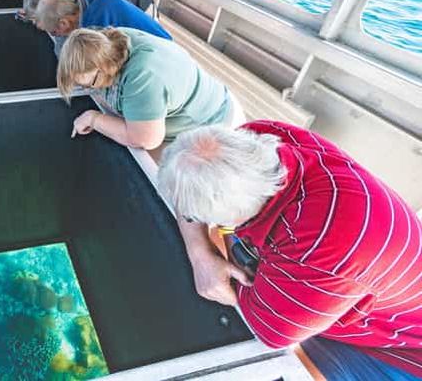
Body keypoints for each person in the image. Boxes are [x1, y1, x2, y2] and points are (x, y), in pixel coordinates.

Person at [156, 121, 422, 380]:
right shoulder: (257, 138)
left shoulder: (316, 249)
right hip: (366, 280)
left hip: (403, 344)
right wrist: (200, 253)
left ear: (229, 219)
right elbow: (191, 184)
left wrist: (210, 251)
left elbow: (270, 331)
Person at [57, 27, 243, 158]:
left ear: (104, 65)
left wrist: (93, 118)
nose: (91, 90)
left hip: (210, 125)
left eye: (92, 83)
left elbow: (146, 139)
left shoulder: (143, 76)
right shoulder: (111, 41)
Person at [35, 0, 172, 48]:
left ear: (64, 23)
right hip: (164, 40)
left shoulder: (96, 27)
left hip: (162, 54)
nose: (56, 36)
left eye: (54, 32)